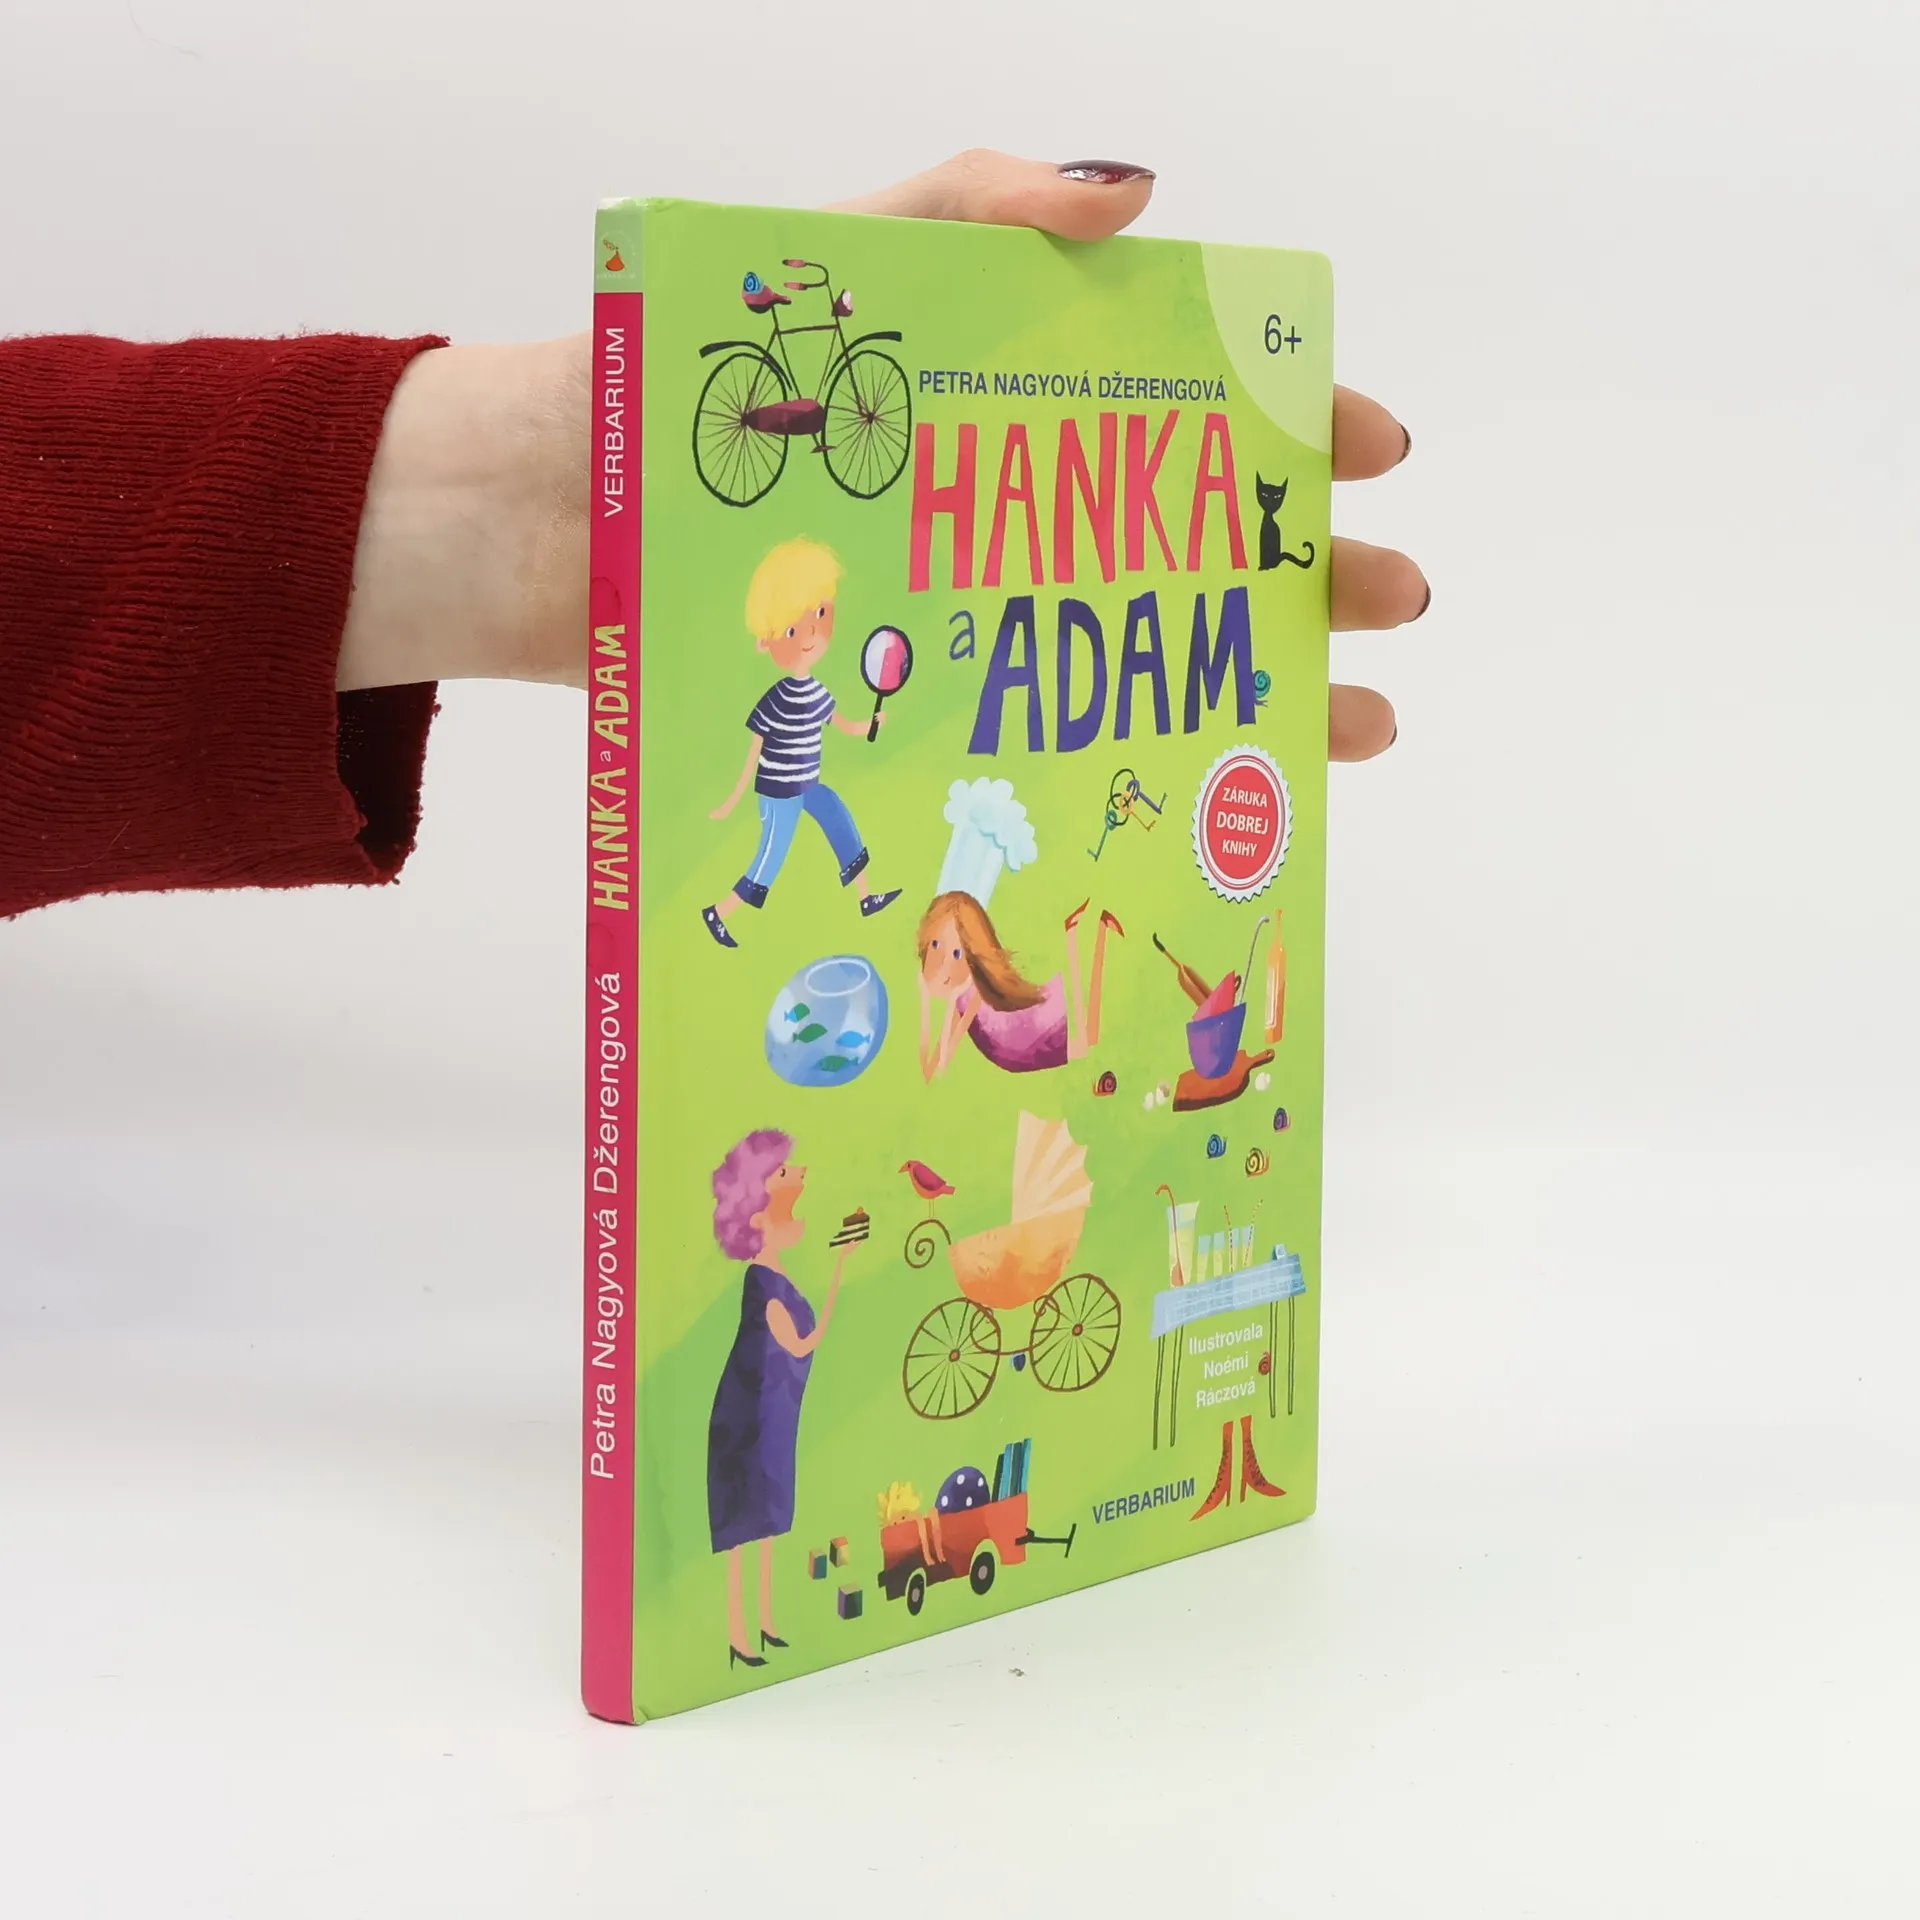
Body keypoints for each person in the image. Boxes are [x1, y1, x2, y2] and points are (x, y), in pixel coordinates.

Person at [0, 151, 1426, 923]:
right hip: (778, 769)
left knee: (829, 824)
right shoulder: (776, 678)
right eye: (804, 622)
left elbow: (822, 716)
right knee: (792, 835)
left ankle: (821, 882)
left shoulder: (812, 666)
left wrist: (561, 473)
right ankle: (766, 897)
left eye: (818, 622)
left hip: (786, 720)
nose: (815, 635)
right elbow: (763, 741)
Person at [706, 1130, 858, 1669]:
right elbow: (801, 1344)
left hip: (774, 1410)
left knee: (768, 1517)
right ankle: (737, 1633)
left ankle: (766, 1622)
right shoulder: (762, 1283)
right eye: (784, 1175)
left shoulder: (777, 1270)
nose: (798, 1177)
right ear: (757, 1208)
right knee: (745, 1523)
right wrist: (839, 1274)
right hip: (748, 1415)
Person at [703, 540, 900, 948]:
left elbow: (841, 723)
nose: (810, 634)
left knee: (840, 819)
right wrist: (733, 798)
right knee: (770, 858)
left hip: (809, 784)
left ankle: (866, 897)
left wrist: (871, 724)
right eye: (792, 630)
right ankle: (718, 912)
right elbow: (754, 751)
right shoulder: (775, 699)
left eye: (820, 615)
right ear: (767, 642)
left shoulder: (816, 692)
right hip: (779, 793)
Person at [917, 889, 1123, 1079]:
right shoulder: (963, 994)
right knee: (1088, 1039)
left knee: (1088, 1038)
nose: (943, 963)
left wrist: (940, 999)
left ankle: (1086, 932)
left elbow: (942, 1062)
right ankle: (1087, 930)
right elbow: (930, 1069)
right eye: (935, 944)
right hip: (1016, 1047)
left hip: (1020, 1040)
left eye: (957, 953)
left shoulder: (972, 992)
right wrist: (925, 1000)